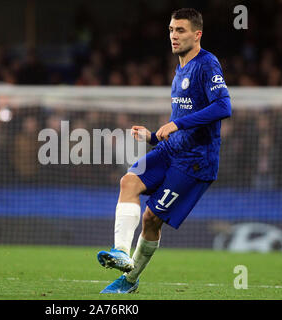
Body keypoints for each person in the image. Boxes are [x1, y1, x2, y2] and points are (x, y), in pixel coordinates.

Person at [97, 8, 232, 294]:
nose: (173, 35)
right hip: (172, 150)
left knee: (151, 218)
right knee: (128, 182)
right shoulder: (179, 69)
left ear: (198, 34)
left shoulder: (207, 64)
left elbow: (223, 107)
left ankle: (129, 281)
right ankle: (120, 252)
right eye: (171, 29)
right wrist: (154, 139)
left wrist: (176, 123)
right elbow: (179, 126)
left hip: (196, 162)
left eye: (180, 30)